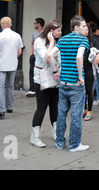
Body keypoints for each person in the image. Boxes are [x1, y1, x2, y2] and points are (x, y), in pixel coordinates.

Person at [48, 15, 90, 152]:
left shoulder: (63, 39)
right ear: (76, 27)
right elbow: (79, 56)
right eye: (84, 26)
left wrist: (55, 71)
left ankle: (59, 142)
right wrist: (80, 76)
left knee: (61, 114)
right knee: (76, 116)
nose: (86, 28)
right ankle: (74, 145)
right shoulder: (83, 40)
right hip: (76, 85)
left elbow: (49, 55)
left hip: (63, 83)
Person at [30, 20, 62, 148]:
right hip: (42, 78)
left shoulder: (58, 41)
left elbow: (59, 58)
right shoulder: (39, 41)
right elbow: (46, 57)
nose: (60, 33)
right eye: (58, 30)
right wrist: (52, 43)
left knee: (54, 106)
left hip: (55, 77)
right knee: (41, 107)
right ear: (51, 31)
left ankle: (56, 134)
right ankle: (35, 136)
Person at [0, 17, 24, 119]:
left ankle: (0, 110)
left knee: (0, 87)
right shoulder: (17, 36)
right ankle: (9, 106)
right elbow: (19, 51)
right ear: (11, 24)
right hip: (12, 64)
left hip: (2, 64)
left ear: (1, 24)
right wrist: (12, 57)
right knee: (10, 86)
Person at [83, 22, 99, 121]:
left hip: (90, 68)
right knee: (81, 90)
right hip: (80, 68)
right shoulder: (79, 40)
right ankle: (84, 109)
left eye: (86, 29)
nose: (85, 31)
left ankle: (89, 110)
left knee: (89, 89)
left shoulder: (93, 40)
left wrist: (98, 56)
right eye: (83, 29)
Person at [27, 18, 45, 97]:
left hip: (42, 56)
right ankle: (32, 89)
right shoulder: (34, 33)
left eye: (35, 23)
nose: (34, 25)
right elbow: (32, 43)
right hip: (34, 55)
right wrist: (32, 54)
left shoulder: (45, 33)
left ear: (38, 24)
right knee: (31, 72)